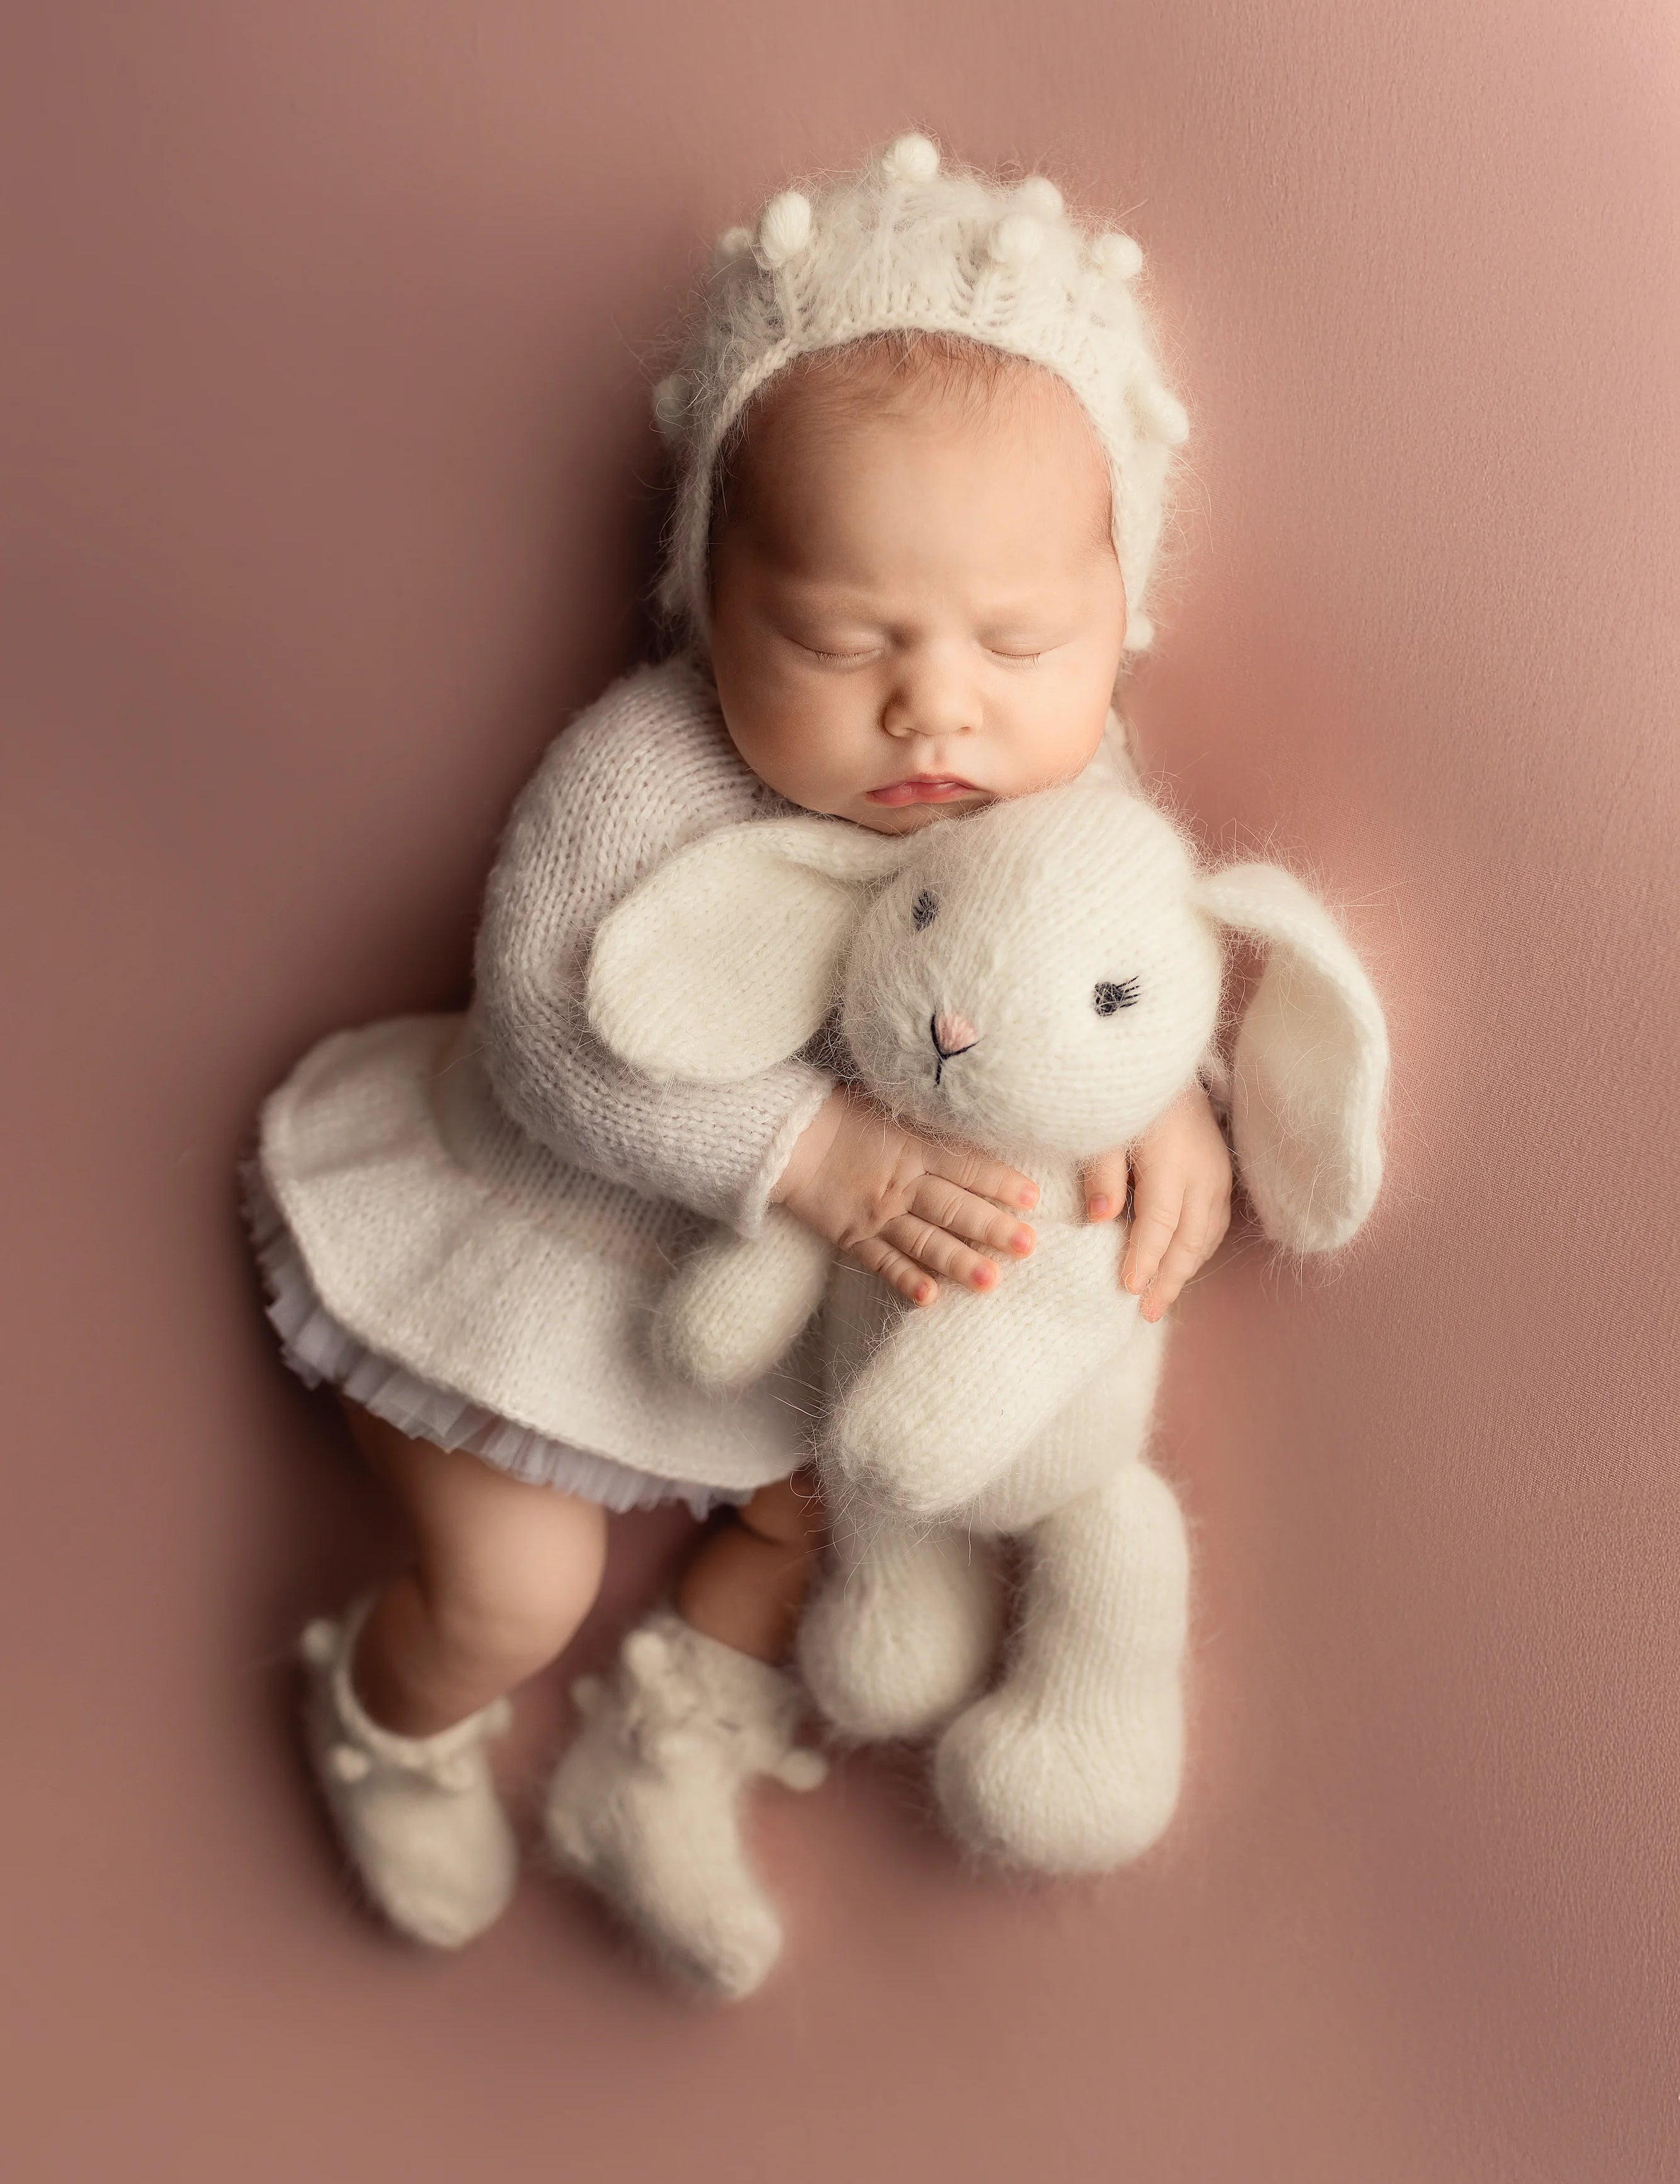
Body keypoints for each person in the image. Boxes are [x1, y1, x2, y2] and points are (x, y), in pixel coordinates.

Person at [247, 134, 1231, 1996]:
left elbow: (1091, 970)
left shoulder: (1049, 791)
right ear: (712, 590)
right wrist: (810, 1154)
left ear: (1121, 605)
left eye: (1018, 640)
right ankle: (386, 1706)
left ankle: (664, 1752)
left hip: (789, 1330)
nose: (933, 704)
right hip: (532, 1249)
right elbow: (545, 1032)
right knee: (509, 1593)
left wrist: (1154, 1097)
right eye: (840, 638)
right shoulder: (648, 766)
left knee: (831, 1512)